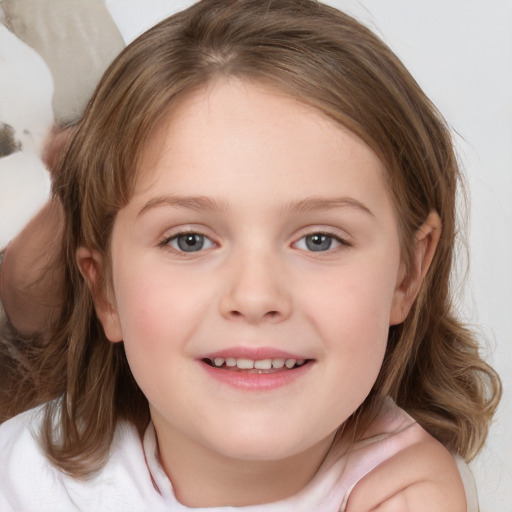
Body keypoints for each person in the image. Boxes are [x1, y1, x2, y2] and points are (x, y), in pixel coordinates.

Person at [0, 0, 501, 510]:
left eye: (319, 240)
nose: (256, 296)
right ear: (105, 289)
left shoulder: (419, 496)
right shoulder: (18, 484)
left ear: (408, 274)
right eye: (189, 240)